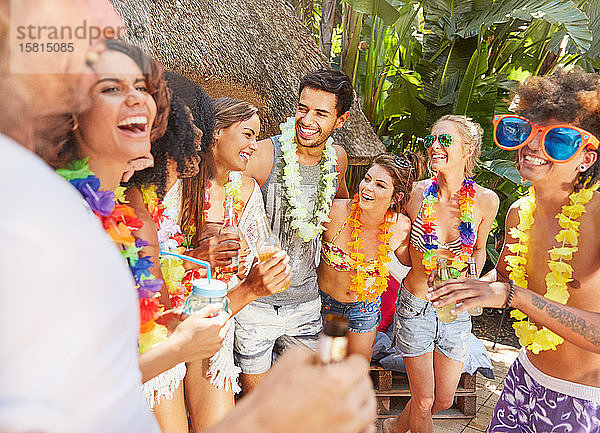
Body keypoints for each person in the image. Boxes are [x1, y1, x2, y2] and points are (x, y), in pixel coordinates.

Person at [1, 2, 376, 431]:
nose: (138, 100)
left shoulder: (123, 211)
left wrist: (238, 293)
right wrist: (263, 417)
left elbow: (142, 335)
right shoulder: (40, 214)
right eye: (109, 85)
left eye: (144, 88)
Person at [0, 2, 164, 432]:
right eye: (111, 88)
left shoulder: (36, 193)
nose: (112, 21)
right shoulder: (32, 221)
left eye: (141, 86)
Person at [428, 67, 600, 432]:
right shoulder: (519, 213)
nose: (534, 146)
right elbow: (503, 276)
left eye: (558, 139)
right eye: (525, 132)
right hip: (524, 380)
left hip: (585, 403)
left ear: (586, 157)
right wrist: (470, 287)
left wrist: (511, 296)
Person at [239, 68, 352, 392]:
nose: (307, 120)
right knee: (257, 406)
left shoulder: (337, 161)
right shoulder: (261, 155)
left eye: (320, 113)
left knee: (305, 401)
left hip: (306, 304)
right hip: (256, 304)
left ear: (340, 120)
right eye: (303, 108)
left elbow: (341, 207)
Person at [384, 115, 499, 433]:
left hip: (454, 309)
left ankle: (395, 426)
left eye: (445, 140)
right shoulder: (417, 194)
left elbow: (478, 249)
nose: (434, 146)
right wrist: (397, 242)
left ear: (468, 147)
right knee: (423, 400)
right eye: (432, 139)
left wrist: (473, 283)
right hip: (417, 305)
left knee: (442, 398)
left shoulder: (486, 201)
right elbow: (407, 258)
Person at [317, 153, 422, 359]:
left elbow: (411, 263)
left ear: (396, 197)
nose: (367, 187)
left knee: (356, 374)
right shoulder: (335, 212)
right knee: (329, 369)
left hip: (365, 309)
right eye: (367, 179)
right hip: (328, 306)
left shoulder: (400, 227)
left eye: (380, 185)